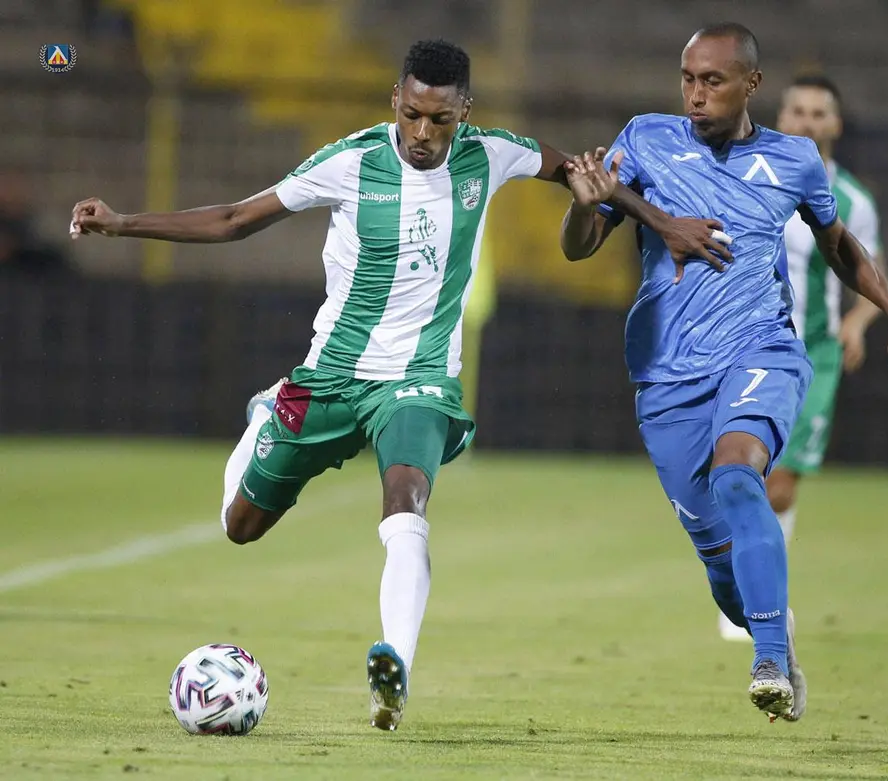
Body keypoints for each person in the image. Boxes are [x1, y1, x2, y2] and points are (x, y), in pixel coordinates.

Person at [69, 38, 710, 732]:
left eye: (440, 119)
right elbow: (234, 220)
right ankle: (266, 414)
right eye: (412, 115)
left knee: (406, 500)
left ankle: (393, 670)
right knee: (239, 526)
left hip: (419, 379)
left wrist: (662, 222)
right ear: (395, 102)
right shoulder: (350, 162)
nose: (424, 133)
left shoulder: (492, 154)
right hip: (332, 377)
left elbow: (585, 174)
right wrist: (123, 224)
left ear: (465, 111)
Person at [559, 23, 888, 721]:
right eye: (688, 79)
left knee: (739, 474)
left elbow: (839, 245)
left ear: (751, 84)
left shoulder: (794, 159)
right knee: (721, 566)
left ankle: (767, 661)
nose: (696, 94)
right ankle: (775, 640)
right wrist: (583, 206)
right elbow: (580, 245)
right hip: (667, 375)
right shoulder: (645, 139)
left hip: (761, 350)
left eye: (713, 80)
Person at [719, 74, 888, 641]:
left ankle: (756, 599)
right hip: (747, 341)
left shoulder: (854, 201)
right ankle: (748, 597)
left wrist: (858, 322)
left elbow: (870, 270)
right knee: (740, 470)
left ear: (835, 124)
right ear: (781, 117)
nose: (808, 123)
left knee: (781, 484)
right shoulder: (750, 177)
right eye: (799, 112)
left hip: (813, 351)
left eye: (820, 113)